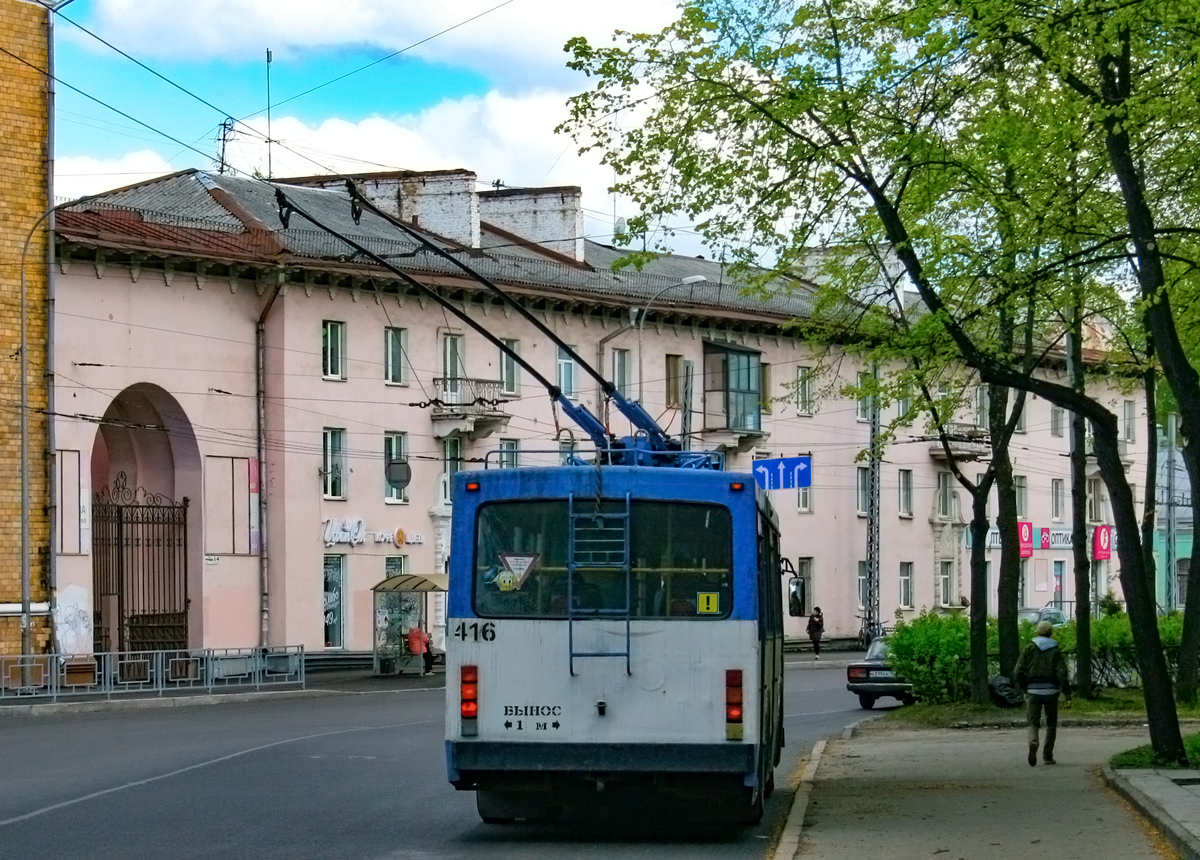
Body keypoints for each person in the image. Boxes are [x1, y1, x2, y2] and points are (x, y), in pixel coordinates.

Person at [1014, 620, 1072, 766]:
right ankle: (1047, 756)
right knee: (1051, 724)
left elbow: (1018, 671)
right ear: (1051, 632)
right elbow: (1062, 673)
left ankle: (1033, 742)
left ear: (1037, 632)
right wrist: (1067, 693)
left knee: (1033, 722)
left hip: (1033, 690)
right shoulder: (1055, 650)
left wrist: (1024, 688)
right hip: (1051, 691)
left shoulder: (1029, 649)